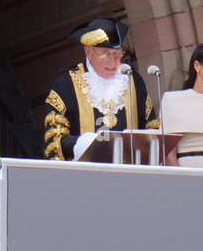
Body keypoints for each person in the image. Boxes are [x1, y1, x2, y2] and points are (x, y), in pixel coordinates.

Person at [41, 18, 160, 160]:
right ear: (88, 52)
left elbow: (151, 128)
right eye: (105, 54)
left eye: (117, 54)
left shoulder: (133, 81)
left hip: (129, 174)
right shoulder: (66, 85)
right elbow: (55, 140)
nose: (113, 61)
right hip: (84, 175)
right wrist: (86, 143)